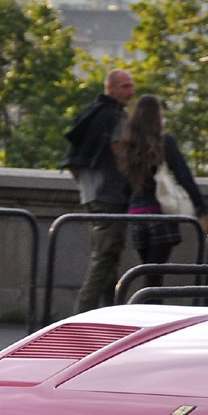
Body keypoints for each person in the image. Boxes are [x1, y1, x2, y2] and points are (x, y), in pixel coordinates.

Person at [119, 94, 208, 290]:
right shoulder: (165, 141)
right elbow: (184, 176)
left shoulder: (128, 145)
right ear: (157, 116)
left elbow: (124, 185)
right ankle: (149, 314)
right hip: (160, 213)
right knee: (155, 278)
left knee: (148, 274)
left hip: (136, 216)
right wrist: (200, 208)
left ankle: (144, 311)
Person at [63, 69, 135, 312]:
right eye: (125, 86)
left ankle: (110, 312)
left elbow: (73, 158)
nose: (130, 91)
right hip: (110, 196)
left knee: (108, 259)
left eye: (131, 86)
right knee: (103, 260)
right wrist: (132, 179)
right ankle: (80, 317)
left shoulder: (90, 114)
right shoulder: (116, 117)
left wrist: (85, 187)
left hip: (91, 195)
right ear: (110, 89)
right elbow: (119, 153)